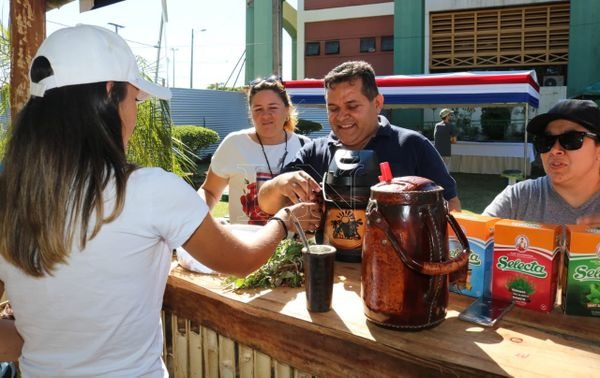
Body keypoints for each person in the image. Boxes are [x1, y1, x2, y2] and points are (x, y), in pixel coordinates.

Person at [0, 24, 320, 376]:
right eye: (135, 99)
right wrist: (284, 221)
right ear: (110, 94)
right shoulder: (149, 190)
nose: (135, 115)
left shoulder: (10, 198)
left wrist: (46, 340)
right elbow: (241, 259)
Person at [258, 60, 461, 215]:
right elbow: (265, 203)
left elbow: (451, 203)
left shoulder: (412, 145)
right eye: (333, 108)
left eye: (352, 106)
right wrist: (279, 184)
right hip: (332, 266)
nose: (342, 116)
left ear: (377, 103)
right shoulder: (314, 152)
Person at [198, 77, 309, 224]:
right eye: (258, 109)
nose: (265, 115)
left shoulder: (305, 147)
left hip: (292, 245)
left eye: (273, 108)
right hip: (242, 243)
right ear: (250, 113)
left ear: (287, 110)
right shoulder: (234, 143)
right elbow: (209, 192)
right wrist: (193, 220)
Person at [482, 99, 600, 224]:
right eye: (546, 140)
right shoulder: (518, 198)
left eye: (571, 139)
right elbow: (475, 240)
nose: (554, 150)